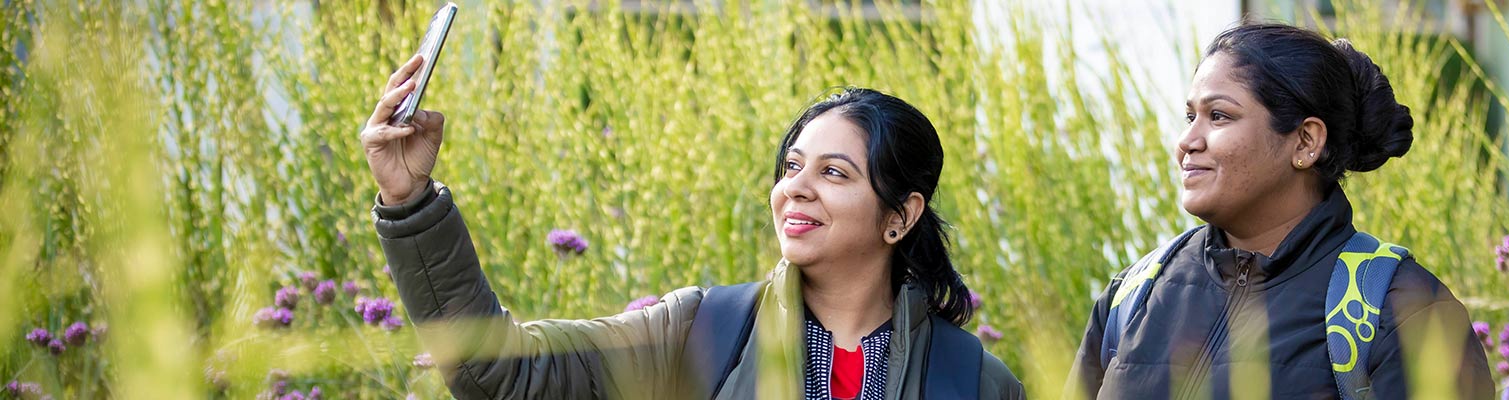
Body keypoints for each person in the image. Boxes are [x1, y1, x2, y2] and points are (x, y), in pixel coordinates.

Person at [358, 55, 1022, 399]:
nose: (796, 186)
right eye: (791, 166)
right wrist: (411, 200)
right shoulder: (697, 334)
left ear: (900, 216)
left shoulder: (974, 381)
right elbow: (500, 373)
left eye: (835, 173)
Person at [1069, 23, 1494, 399]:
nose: (1187, 141)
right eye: (1189, 116)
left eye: (1218, 116)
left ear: (1306, 141)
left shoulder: (1402, 311)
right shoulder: (1133, 296)